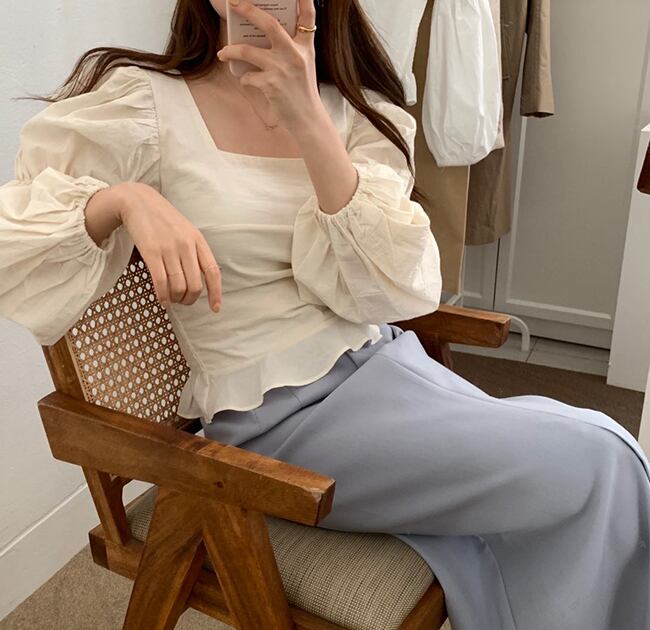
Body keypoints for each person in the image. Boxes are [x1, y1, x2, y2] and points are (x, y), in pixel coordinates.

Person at [1, 1, 649, 628]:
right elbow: (13, 237)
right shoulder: (144, 104)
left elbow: (391, 292)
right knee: (601, 460)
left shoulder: (354, 114)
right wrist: (126, 199)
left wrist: (307, 117)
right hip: (276, 423)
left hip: (387, 372)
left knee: (585, 473)